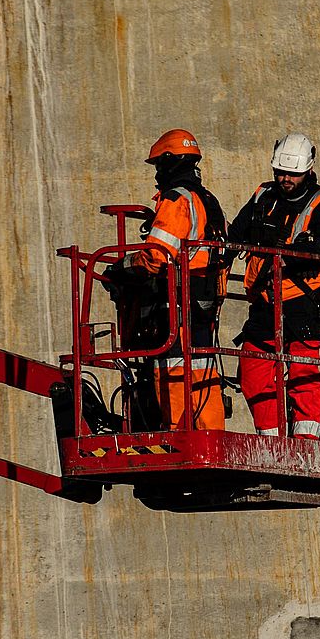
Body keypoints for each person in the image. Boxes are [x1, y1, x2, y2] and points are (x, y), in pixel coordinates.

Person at [228, 132, 320, 437]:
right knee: (254, 369)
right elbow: (237, 232)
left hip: (303, 301)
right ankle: (271, 440)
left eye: (292, 173)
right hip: (266, 300)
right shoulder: (262, 196)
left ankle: (305, 440)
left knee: (303, 373)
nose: (285, 179)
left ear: (307, 170)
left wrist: (291, 256)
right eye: (281, 172)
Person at [119, 129, 228, 430]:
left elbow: (157, 255)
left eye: (158, 167)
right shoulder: (207, 200)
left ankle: (178, 434)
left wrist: (124, 266)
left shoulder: (176, 200)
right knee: (203, 372)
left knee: (174, 369)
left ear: (169, 163)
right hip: (201, 303)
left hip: (176, 303)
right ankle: (210, 434)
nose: (156, 175)